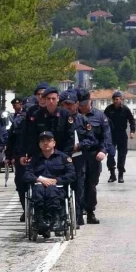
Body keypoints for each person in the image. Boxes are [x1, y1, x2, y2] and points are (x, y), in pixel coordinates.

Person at [23, 131, 76, 239]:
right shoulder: (34, 159)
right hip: (39, 186)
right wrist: (38, 179)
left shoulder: (63, 157)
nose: (45, 143)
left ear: (54, 143)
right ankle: (40, 220)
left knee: (52, 190)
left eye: (48, 140)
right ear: (39, 144)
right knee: (37, 191)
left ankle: (56, 219)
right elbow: (26, 175)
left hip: (57, 188)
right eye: (42, 141)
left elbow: (72, 174)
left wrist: (57, 180)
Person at [78, 89, 113, 224]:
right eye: (80, 103)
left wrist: (103, 150)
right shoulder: (74, 116)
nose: (82, 106)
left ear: (90, 100)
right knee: (79, 183)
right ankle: (79, 211)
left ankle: (90, 211)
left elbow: (106, 135)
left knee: (91, 184)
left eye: (84, 103)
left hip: (93, 154)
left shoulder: (99, 116)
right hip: (78, 154)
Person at [19, 85, 75, 166]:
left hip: (61, 157)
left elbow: (70, 138)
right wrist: (27, 154)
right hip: (40, 158)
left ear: (58, 99)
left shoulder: (65, 115)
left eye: (53, 98)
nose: (51, 101)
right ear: (45, 100)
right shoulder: (37, 115)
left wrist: (65, 157)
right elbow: (31, 137)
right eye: (48, 99)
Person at [58, 90, 89, 227]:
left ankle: (76, 217)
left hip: (78, 159)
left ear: (76, 104)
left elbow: (91, 140)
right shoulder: (57, 119)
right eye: (65, 104)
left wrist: (80, 146)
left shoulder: (83, 120)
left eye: (71, 104)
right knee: (61, 187)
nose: (68, 107)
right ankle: (63, 217)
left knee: (78, 189)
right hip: (61, 159)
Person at [5, 97, 30, 221]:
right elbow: (11, 139)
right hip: (21, 157)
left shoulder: (43, 119)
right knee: (21, 184)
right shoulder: (18, 121)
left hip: (39, 157)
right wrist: (8, 156)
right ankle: (26, 209)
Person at [104, 91, 136, 183]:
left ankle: (120, 175)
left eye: (117, 99)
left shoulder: (125, 109)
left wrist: (132, 131)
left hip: (122, 134)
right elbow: (103, 122)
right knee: (110, 155)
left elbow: (131, 120)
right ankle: (112, 175)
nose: (115, 101)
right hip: (111, 135)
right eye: (114, 99)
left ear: (121, 100)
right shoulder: (109, 109)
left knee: (122, 155)